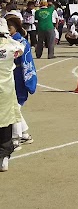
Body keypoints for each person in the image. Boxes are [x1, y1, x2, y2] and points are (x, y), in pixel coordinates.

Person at [4, 14, 36, 150]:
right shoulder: (9, 41)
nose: (7, 30)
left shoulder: (20, 42)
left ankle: (15, 138)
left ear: (15, 27)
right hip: (10, 75)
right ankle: (24, 134)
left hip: (18, 76)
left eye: (9, 27)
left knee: (14, 107)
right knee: (13, 106)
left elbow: (25, 62)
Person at [0, 18, 25, 172]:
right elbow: (21, 48)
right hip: (6, 90)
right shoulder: (12, 46)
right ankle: (3, 157)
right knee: (5, 122)